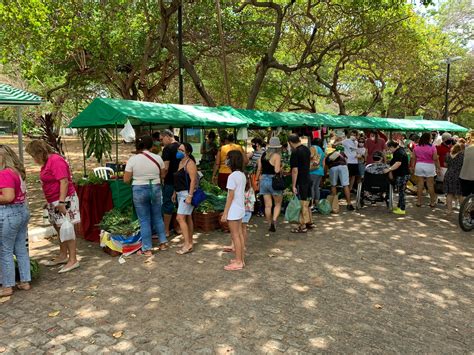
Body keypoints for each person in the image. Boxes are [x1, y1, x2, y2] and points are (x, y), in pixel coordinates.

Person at [26, 140, 80, 273]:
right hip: (54, 200)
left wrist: (61, 202)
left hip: (64, 199)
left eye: (33, 156)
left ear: (39, 152)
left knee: (66, 228)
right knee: (59, 227)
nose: (33, 159)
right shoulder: (48, 162)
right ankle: (63, 255)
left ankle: (73, 259)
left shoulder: (55, 160)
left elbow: (64, 181)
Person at [123, 135, 167, 256]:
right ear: (151, 145)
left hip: (139, 189)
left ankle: (147, 249)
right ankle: (163, 243)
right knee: (158, 217)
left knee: (144, 220)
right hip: (156, 188)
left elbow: (126, 179)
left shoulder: (133, 159)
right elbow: (163, 175)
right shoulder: (158, 158)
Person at [0, 145, 30, 297]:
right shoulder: (16, 172)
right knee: (20, 247)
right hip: (21, 211)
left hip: (8, 213)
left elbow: (8, 197)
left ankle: (7, 286)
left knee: (4, 250)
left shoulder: (4, 174)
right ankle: (25, 280)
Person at [221, 150, 246, 271]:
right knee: (239, 235)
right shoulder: (241, 174)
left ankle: (239, 261)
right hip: (240, 208)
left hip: (234, 210)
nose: (226, 160)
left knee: (235, 236)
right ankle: (240, 259)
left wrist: (225, 213)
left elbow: (230, 196)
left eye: (227, 158)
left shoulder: (232, 176)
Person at [173, 143, 198, 255]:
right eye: (179, 149)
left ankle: (187, 244)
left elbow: (193, 180)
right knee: (187, 218)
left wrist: (190, 196)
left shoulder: (190, 163)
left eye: (182, 150)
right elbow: (178, 179)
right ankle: (189, 242)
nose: (179, 151)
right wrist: (174, 192)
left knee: (180, 218)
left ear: (188, 152)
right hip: (179, 193)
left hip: (186, 194)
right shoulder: (180, 162)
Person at [256, 137, 283, 232]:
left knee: (267, 205)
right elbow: (276, 170)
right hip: (273, 181)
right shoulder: (277, 156)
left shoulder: (262, 155)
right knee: (278, 204)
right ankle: (274, 221)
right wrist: (281, 167)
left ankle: (269, 223)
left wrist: (256, 179)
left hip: (263, 180)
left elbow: (259, 168)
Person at [289, 134, 314, 233]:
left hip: (301, 181)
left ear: (290, 142)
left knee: (301, 203)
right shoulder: (306, 149)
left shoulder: (295, 152)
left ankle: (302, 225)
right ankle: (309, 222)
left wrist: (293, 185)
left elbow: (295, 170)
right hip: (307, 178)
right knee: (307, 202)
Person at [411, 132, 440, 208]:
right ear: (428, 139)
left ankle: (419, 202)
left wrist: (412, 167)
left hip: (419, 165)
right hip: (429, 166)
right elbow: (435, 158)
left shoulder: (416, 147)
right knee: (430, 185)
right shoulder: (432, 147)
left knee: (420, 184)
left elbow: (413, 158)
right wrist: (438, 167)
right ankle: (432, 202)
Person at [160, 129, 180, 238]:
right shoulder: (181, 146)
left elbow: (166, 167)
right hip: (181, 182)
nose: (161, 142)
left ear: (168, 136)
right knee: (179, 205)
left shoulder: (167, 149)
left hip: (170, 182)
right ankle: (178, 228)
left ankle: (166, 230)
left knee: (168, 204)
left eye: (162, 139)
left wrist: (162, 177)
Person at [325, 147, 354, 211]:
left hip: (333, 167)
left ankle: (335, 205)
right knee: (345, 185)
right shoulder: (342, 153)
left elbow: (326, 166)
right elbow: (346, 161)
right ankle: (349, 204)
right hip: (343, 166)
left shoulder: (328, 155)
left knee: (333, 185)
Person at [386, 142, 410, 215]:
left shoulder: (399, 152)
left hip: (402, 175)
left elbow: (398, 163)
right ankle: (399, 206)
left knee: (401, 192)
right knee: (400, 191)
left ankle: (402, 209)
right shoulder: (399, 151)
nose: (389, 150)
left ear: (393, 147)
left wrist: (389, 169)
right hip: (401, 174)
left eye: (389, 148)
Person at [444, 143, 465, 214]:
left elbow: (445, 164)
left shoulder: (448, 155)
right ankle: (462, 211)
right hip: (458, 175)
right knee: (460, 194)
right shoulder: (462, 155)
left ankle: (449, 210)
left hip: (448, 174)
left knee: (449, 193)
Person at [309, 138, 325, 211]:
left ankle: (311, 205)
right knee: (316, 188)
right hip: (320, 171)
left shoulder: (313, 148)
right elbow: (323, 163)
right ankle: (317, 205)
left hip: (313, 170)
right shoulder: (322, 150)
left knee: (311, 187)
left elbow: (310, 156)